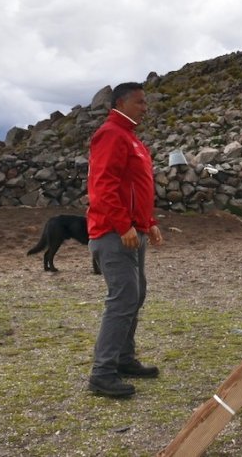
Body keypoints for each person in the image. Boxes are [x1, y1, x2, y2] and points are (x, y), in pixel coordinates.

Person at [86, 82, 164, 398]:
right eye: (139, 102)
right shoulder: (111, 135)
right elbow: (103, 185)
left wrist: (149, 223)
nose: (145, 107)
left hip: (133, 232)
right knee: (123, 298)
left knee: (135, 295)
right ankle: (102, 373)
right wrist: (122, 225)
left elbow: (136, 186)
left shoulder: (131, 138)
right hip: (114, 234)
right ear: (121, 103)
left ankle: (123, 358)